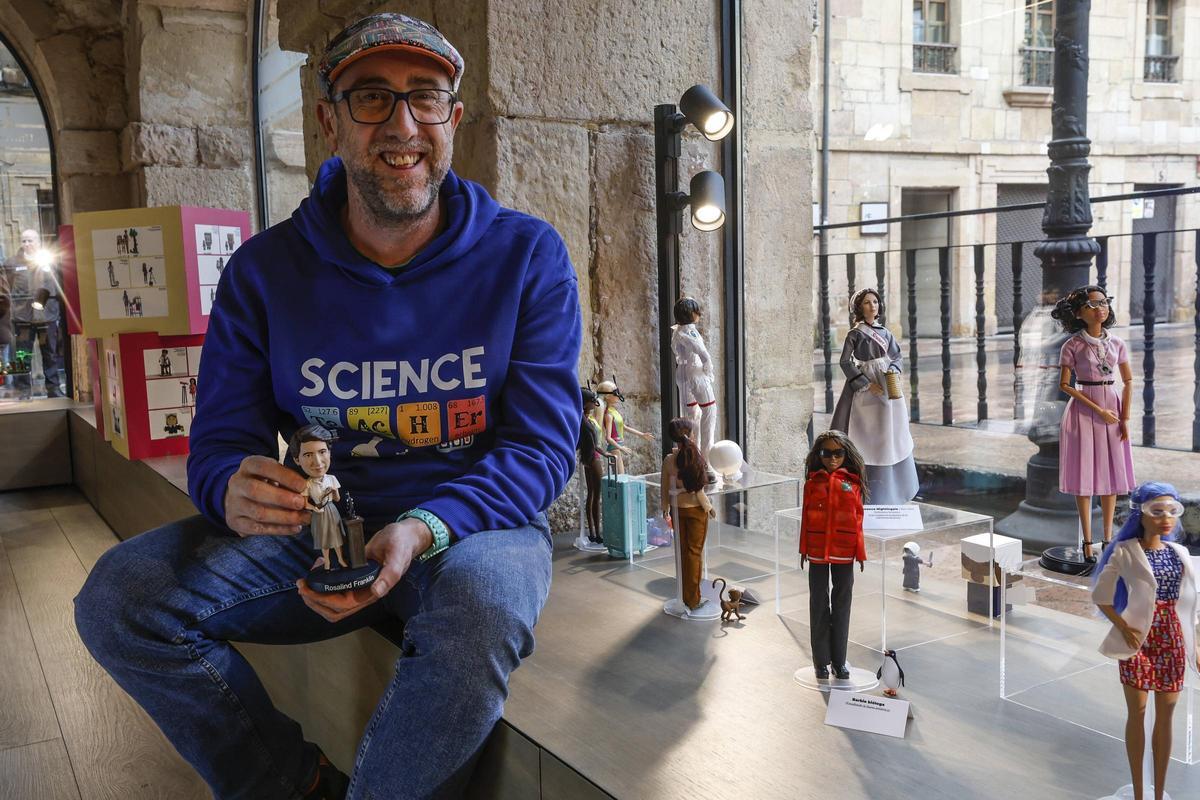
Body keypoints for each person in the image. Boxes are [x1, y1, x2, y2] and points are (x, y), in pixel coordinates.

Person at [73, 13, 582, 800]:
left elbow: (542, 450)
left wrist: (422, 528)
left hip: (471, 527)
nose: (403, 125)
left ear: (454, 115)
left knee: (481, 607)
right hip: (324, 534)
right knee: (118, 598)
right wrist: (229, 488)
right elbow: (220, 443)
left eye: (426, 97)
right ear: (329, 121)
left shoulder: (527, 255)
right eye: (371, 97)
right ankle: (289, 783)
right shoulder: (263, 271)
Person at [1092, 482, 1198, 800]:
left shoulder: (1180, 553)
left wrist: (1196, 642)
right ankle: (1139, 793)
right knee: (1136, 715)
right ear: (1141, 514)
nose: (1166, 518)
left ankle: (1159, 793)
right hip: (1138, 639)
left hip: (1172, 639)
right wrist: (1122, 626)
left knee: (1166, 717)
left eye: (1172, 511)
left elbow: (1192, 603)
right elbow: (1101, 595)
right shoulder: (1125, 552)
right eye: (1158, 511)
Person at [1052, 285, 1135, 563]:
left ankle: (1108, 540)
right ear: (1078, 313)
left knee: (1110, 479)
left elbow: (1130, 381)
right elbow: (1066, 385)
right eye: (1091, 305)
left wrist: (1124, 417)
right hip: (1083, 413)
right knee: (1085, 479)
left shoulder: (1117, 344)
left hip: (1112, 409)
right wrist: (1099, 409)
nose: (1100, 309)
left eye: (1103, 303)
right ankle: (1088, 542)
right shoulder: (1072, 345)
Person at [830, 288, 918, 505]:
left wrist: (894, 370)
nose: (873, 306)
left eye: (875, 302)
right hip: (866, 387)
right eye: (868, 303)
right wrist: (866, 383)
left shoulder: (886, 333)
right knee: (866, 432)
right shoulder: (855, 334)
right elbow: (845, 362)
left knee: (891, 432)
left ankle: (894, 490)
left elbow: (896, 355)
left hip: (888, 385)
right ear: (859, 308)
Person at [799, 430, 867, 680]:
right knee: (818, 603)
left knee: (842, 605)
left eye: (838, 453)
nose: (832, 458)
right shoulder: (812, 483)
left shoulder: (853, 483)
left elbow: (858, 520)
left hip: (844, 550)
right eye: (826, 453)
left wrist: (860, 552)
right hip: (817, 550)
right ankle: (820, 661)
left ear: (846, 454)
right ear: (819, 454)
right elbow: (805, 519)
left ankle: (839, 661)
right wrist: (803, 549)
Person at [659, 417, 714, 611]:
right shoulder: (694, 456)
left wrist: (665, 506)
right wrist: (708, 506)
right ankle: (693, 598)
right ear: (689, 434)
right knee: (694, 553)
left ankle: (684, 595)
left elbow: (664, 486)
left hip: (676, 509)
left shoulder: (669, 460)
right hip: (695, 509)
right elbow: (698, 488)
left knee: (682, 552)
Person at [2, 229, 63, 398]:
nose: (27, 244)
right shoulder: (11, 263)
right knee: (23, 355)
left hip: (46, 318)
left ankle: (53, 388)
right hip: (23, 319)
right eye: (24, 241)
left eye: (30, 241)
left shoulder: (49, 261)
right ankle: (23, 389)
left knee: (49, 353)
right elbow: (5, 289)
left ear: (38, 242)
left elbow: (57, 286)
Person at [670, 296, 717, 464]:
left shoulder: (678, 331)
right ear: (691, 314)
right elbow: (702, 352)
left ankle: (693, 455)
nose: (699, 314)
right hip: (695, 371)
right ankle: (706, 458)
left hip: (682, 373)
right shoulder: (688, 331)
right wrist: (708, 368)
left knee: (691, 415)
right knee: (709, 412)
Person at [577, 387, 612, 545]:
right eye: (592, 401)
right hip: (593, 458)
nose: (594, 403)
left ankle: (593, 531)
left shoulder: (582, 419)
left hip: (588, 458)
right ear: (586, 403)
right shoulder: (584, 422)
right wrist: (604, 454)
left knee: (591, 495)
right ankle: (596, 533)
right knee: (596, 496)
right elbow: (593, 444)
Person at [596, 378, 652, 474]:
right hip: (615, 448)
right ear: (608, 396)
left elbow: (624, 427)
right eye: (615, 393)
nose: (618, 396)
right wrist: (621, 448)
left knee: (620, 475)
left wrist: (642, 434)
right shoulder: (608, 414)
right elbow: (608, 438)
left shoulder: (614, 412)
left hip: (618, 446)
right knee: (620, 475)